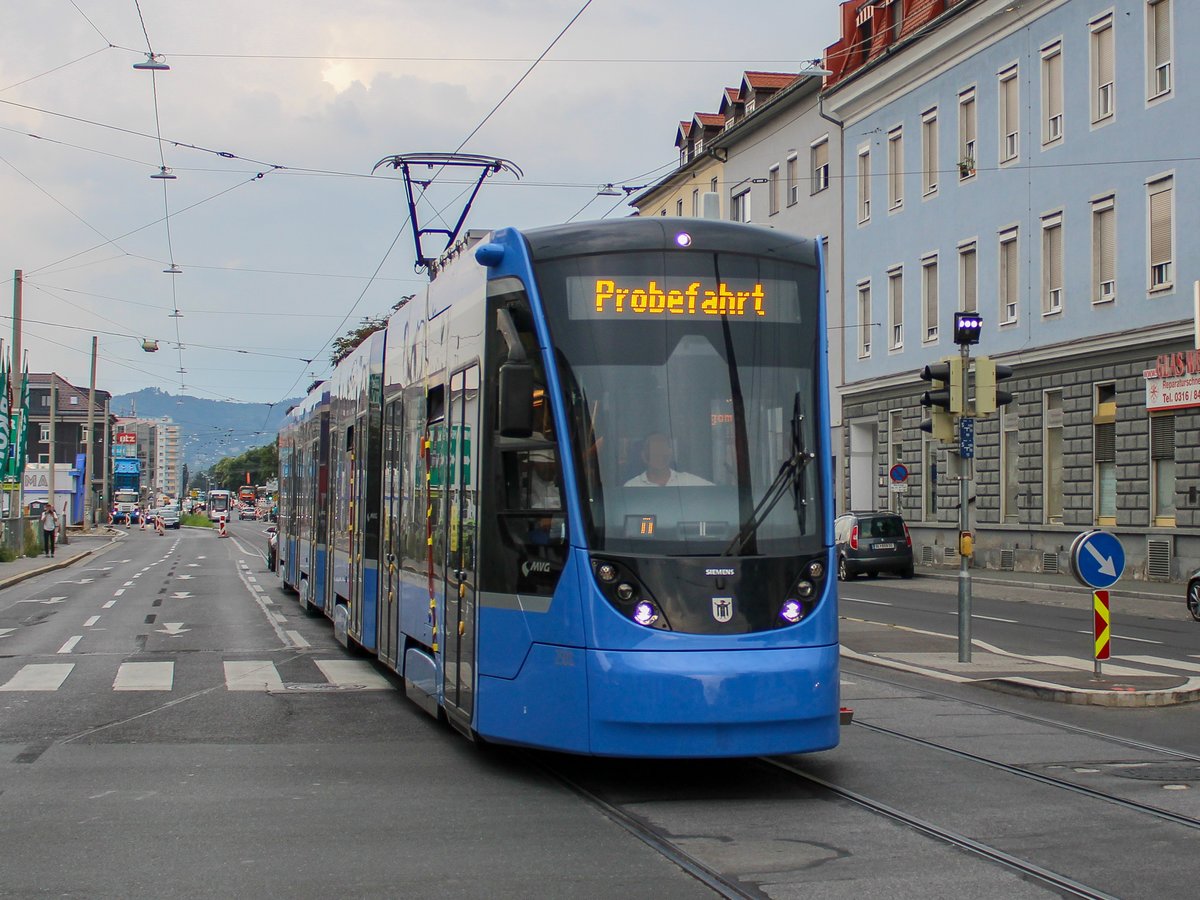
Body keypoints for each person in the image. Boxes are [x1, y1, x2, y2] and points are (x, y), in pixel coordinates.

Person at [624, 432, 713, 487]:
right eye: (654, 450)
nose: (659, 454)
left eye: (662, 449)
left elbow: (715, 495)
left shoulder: (688, 481)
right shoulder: (632, 486)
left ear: (670, 453)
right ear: (644, 456)